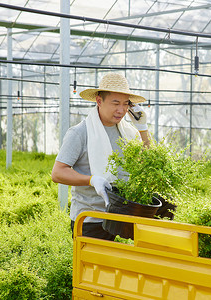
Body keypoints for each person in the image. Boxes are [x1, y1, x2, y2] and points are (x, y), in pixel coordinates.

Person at [51, 72, 150, 240]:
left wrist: (143, 128)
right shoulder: (80, 132)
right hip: (90, 220)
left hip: (121, 217)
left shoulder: (129, 132)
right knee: (92, 267)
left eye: (126, 104)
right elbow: (57, 173)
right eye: (115, 103)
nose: (121, 110)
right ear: (99, 101)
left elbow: (148, 163)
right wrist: (91, 180)